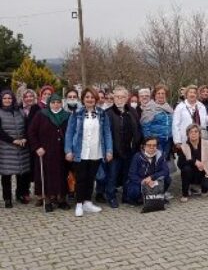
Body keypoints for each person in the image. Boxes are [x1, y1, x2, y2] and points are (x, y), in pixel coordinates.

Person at [65, 87, 113, 217]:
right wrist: (68, 150)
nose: (90, 99)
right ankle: (79, 204)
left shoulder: (102, 114)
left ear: (96, 99)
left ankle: (87, 202)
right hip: (80, 152)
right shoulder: (76, 114)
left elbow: (107, 133)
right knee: (81, 179)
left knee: (91, 178)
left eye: (92, 97)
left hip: (96, 151)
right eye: (87, 97)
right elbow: (69, 133)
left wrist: (109, 150)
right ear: (83, 99)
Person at [28, 94, 70, 212]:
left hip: (61, 152)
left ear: (61, 103)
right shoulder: (41, 115)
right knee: (46, 177)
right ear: (49, 103)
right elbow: (31, 132)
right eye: (53, 102)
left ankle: (61, 199)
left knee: (62, 175)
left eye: (58, 102)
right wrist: (37, 147)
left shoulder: (67, 116)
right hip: (45, 152)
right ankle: (48, 200)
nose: (56, 105)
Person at [105, 87, 142, 208]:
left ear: (127, 98)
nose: (119, 99)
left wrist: (137, 144)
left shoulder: (132, 111)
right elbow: (106, 134)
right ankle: (111, 197)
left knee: (128, 175)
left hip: (130, 151)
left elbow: (137, 128)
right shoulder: (108, 113)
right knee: (112, 175)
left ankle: (126, 196)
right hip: (114, 151)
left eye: (122, 97)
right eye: (117, 97)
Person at [0, 90, 31, 207]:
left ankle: (20, 194)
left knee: (21, 173)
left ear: (13, 99)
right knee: (6, 175)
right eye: (5, 98)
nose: (7, 100)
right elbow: (0, 132)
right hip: (6, 148)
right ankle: (7, 198)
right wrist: (13, 140)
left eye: (9, 98)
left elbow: (28, 127)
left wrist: (24, 138)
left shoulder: (20, 111)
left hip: (22, 147)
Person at [126, 136, 171, 209]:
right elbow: (132, 174)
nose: (152, 147)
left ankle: (158, 196)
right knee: (134, 190)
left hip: (153, 180)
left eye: (154, 145)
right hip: (141, 181)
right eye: (149, 145)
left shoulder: (160, 155)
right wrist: (143, 181)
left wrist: (152, 178)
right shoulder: (137, 157)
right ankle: (138, 199)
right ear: (143, 146)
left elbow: (166, 171)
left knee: (167, 179)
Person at [177, 124, 208, 202]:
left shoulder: (207, 143)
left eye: (196, 132)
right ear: (188, 135)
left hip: (204, 173)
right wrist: (194, 161)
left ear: (199, 134)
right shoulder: (184, 147)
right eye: (191, 132)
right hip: (191, 173)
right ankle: (185, 193)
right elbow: (180, 164)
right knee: (186, 169)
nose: (193, 134)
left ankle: (202, 188)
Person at [140, 84, 173, 158]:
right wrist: (149, 142)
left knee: (163, 163)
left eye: (163, 93)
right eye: (158, 93)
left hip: (167, 141)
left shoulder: (169, 108)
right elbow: (145, 127)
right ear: (154, 95)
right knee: (155, 163)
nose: (161, 95)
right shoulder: (150, 108)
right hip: (156, 142)